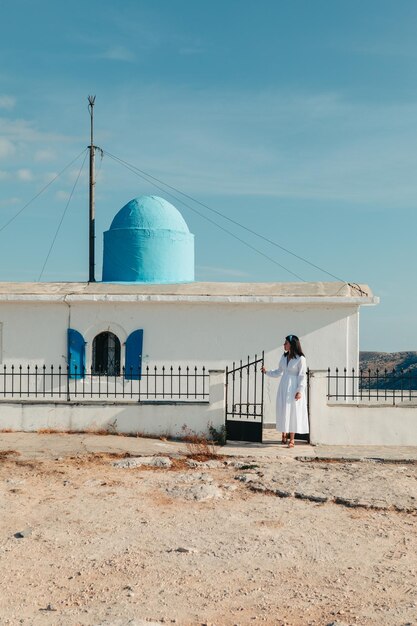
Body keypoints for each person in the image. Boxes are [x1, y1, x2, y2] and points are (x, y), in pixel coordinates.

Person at [261, 334, 309, 448]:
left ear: (292, 344)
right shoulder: (284, 357)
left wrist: (300, 390)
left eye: (286, 343)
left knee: (293, 411)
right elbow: (279, 371)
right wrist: (267, 372)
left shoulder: (300, 359)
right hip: (283, 386)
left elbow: (302, 376)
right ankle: (284, 434)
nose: (284, 344)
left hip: (293, 387)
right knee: (283, 409)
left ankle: (292, 439)